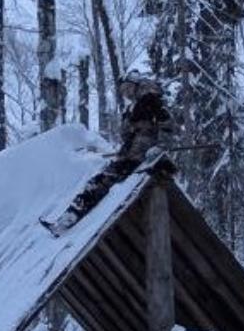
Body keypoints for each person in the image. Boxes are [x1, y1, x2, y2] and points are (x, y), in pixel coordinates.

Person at [42, 74, 172, 236]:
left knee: (102, 182)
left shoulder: (150, 100)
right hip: (129, 155)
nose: (126, 93)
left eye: (128, 88)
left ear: (137, 85)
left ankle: (72, 216)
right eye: (123, 91)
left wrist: (160, 147)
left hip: (141, 157)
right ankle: (69, 216)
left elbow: (166, 124)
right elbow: (128, 136)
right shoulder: (131, 109)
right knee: (97, 181)